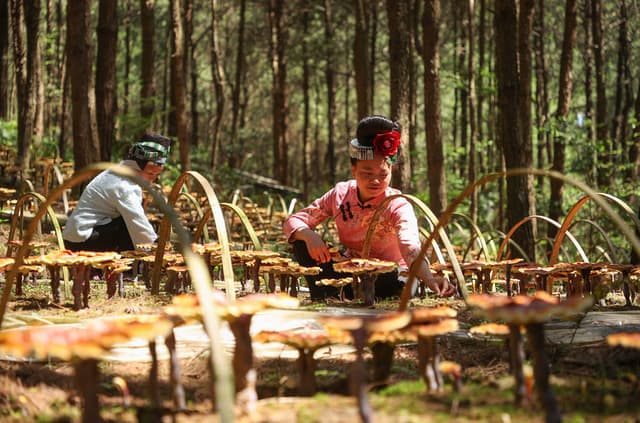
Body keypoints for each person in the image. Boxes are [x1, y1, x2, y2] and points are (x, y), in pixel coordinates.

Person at [283, 115, 457, 301]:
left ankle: (343, 294)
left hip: (391, 275)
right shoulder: (340, 194)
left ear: (391, 172)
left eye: (383, 174)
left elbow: (410, 247)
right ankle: (324, 296)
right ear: (353, 170)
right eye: (367, 173)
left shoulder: (397, 204)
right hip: (351, 269)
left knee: (392, 279)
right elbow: (294, 221)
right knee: (301, 243)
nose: (375, 181)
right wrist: (309, 235)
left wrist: (429, 279)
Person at [62, 133, 171, 253]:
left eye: (156, 175)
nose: (153, 179)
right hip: (82, 239)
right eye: (150, 173)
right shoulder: (124, 186)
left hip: (78, 234)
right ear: (138, 166)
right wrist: (158, 250)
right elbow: (138, 224)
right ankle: (130, 267)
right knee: (127, 225)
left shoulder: (118, 171)